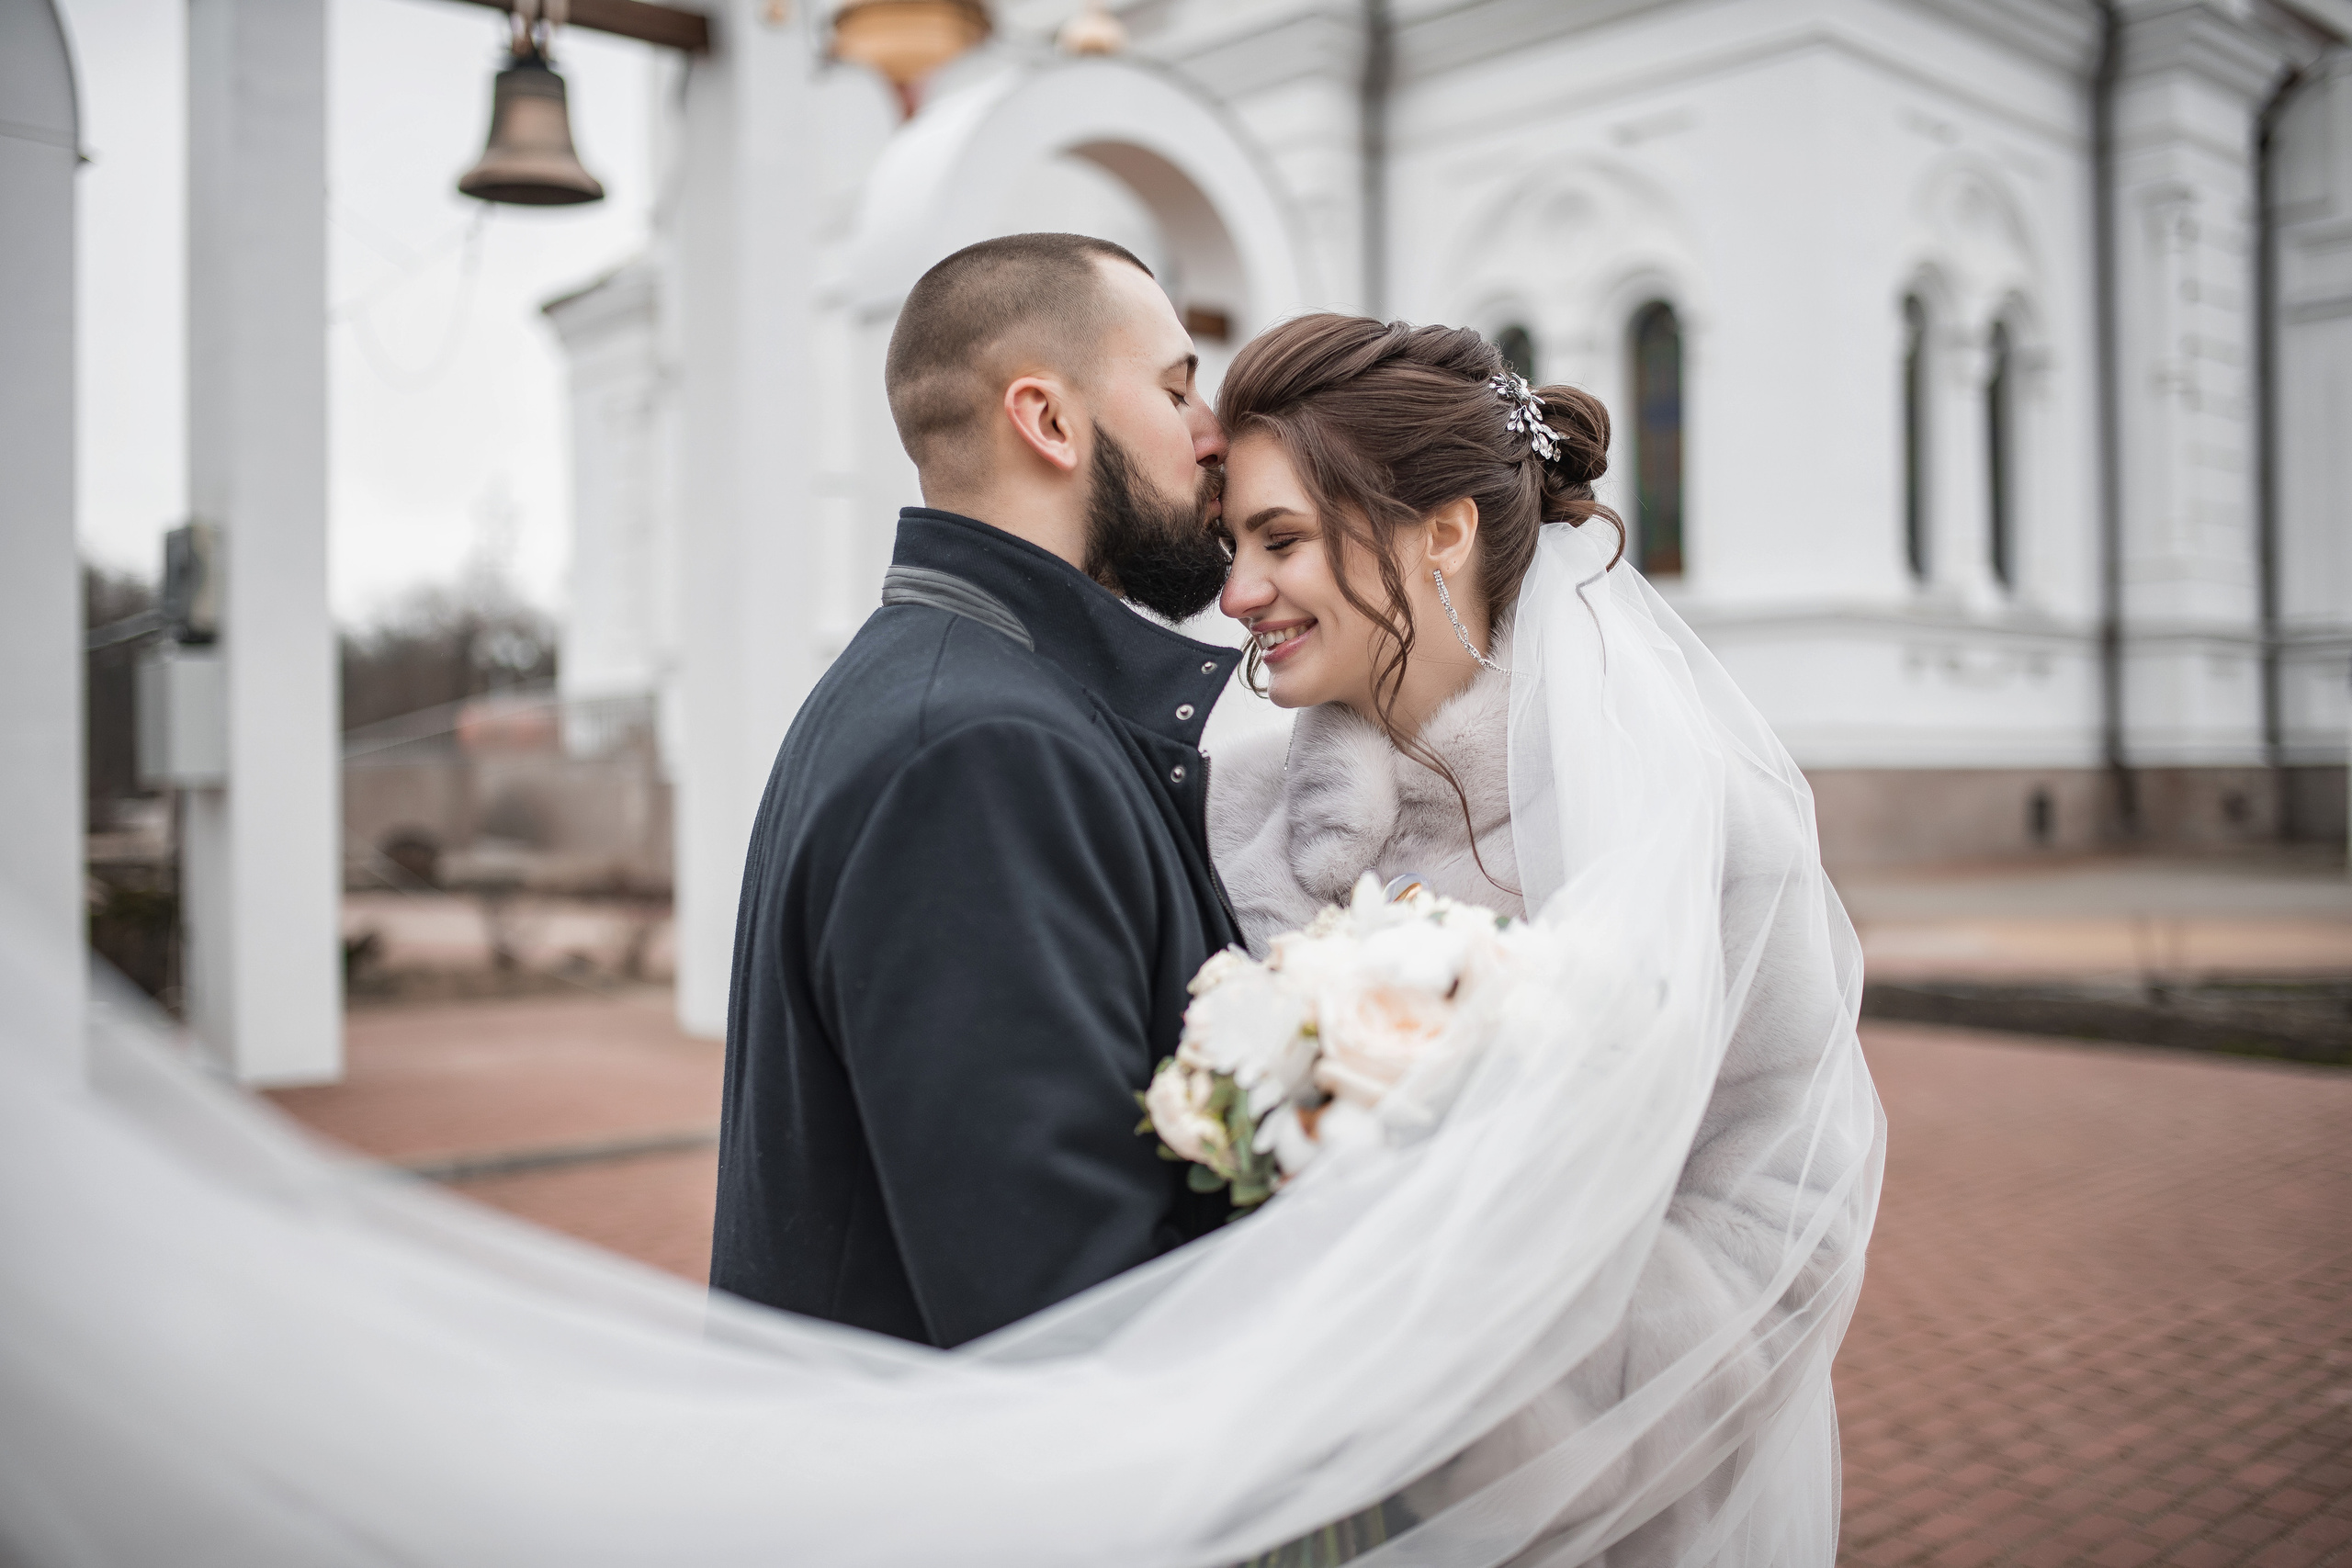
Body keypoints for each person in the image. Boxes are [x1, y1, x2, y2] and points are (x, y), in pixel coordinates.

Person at [1206, 314, 1885, 1561]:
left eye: (1281, 538)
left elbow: (1786, 1216)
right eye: (1232, 544)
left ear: (1442, 533)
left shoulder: (1702, 829)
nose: (1239, 591)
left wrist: (1492, 1404)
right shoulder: (1231, 814)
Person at [709, 232, 1243, 1348]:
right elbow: (1063, 1316)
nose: (1213, 437)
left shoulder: (946, 689)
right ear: (1047, 420)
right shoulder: (980, 751)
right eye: (1176, 388)